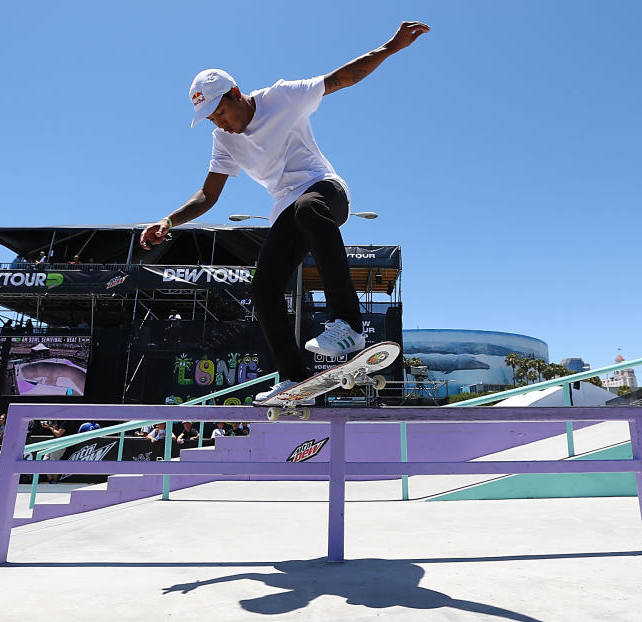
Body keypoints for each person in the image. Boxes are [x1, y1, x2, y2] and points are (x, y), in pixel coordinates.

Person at [139, 21, 430, 403]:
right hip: (286, 210)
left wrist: (391, 47)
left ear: (236, 93)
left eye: (221, 112)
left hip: (326, 191)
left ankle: (348, 324)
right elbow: (208, 195)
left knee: (309, 207)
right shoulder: (223, 141)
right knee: (263, 287)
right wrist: (169, 220)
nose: (220, 123)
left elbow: (342, 78)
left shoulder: (282, 97)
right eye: (212, 119)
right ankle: (294, 378)